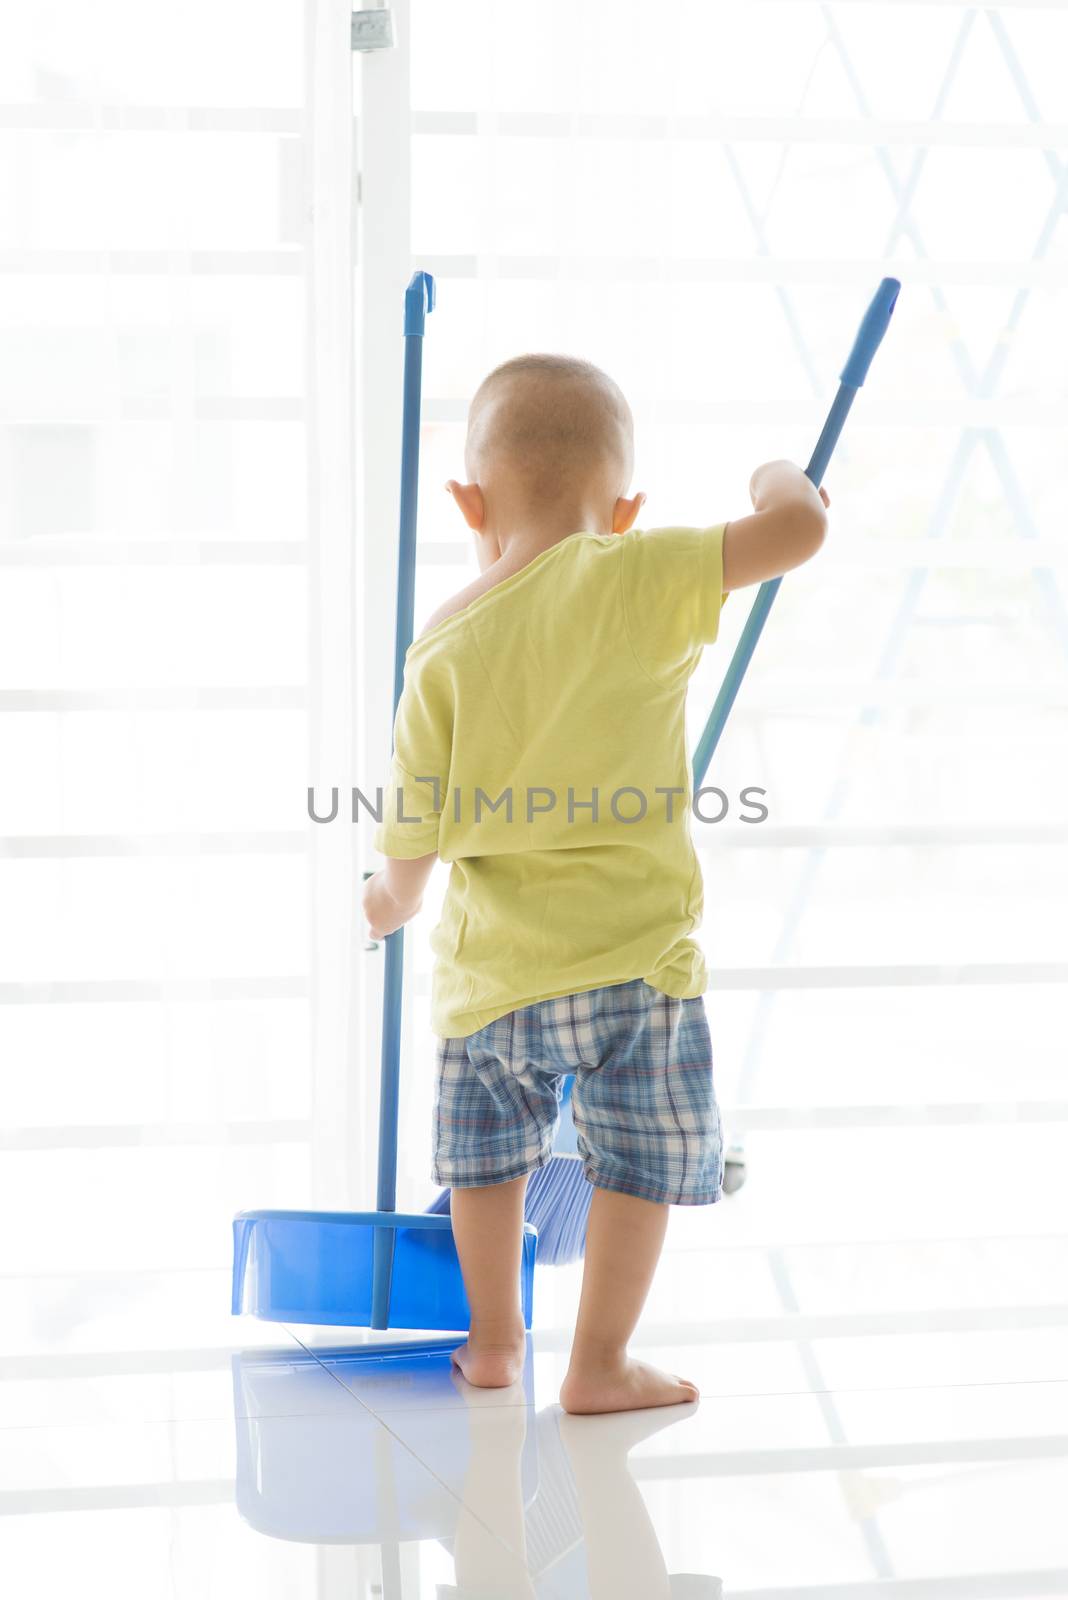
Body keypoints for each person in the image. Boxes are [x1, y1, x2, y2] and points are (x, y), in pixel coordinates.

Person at [362, 354, 829, 1414]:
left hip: (491, 981)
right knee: (634, 1167)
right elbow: (799, 531)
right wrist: (778, 474)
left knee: (486, 1167)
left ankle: (494, 1344)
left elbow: (411, 840)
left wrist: (386, 906)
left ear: (468, 504)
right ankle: (600, 1362)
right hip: (635, 964)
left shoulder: (439, 646)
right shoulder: (646, 571)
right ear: (624, 508)